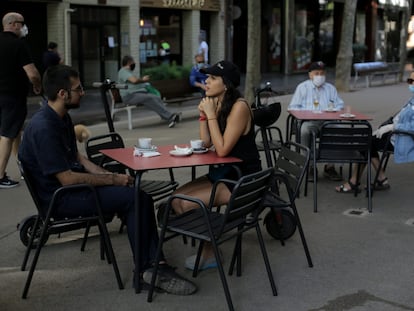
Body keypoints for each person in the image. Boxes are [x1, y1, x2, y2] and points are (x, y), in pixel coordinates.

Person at [18, 64, 197, 295]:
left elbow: (78, 158)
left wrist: (108, 175)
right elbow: (67, 179)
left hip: (73, 190)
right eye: (78, 88)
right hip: (61, 200)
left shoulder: (60, 118)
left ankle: (154, 266)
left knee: (139, 195)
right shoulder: (44, 127)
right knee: (135, 199)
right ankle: (147, 269)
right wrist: (112, 180)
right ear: (63, 94)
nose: (82, 92)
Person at [170, 60, 261, 271]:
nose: (206, 81)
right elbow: (207, 143)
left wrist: (210, 114)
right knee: (176, 199)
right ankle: (209, 244)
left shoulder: (239, 107)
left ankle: (210, 251)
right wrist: (204, 115)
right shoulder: (218, 102)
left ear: (226, 84)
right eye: (206, 77)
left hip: (243, 179)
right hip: (226, 173)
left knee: (185, 204)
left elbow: (221, 150)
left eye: (212, 78)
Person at [335, 72, 414, 193]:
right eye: (409, 81)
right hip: (396, 135)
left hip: (402, 139)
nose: (411, 84)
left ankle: (356, 182)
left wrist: (392, 127)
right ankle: (379, 179)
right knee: (366, 140)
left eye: (413, 81)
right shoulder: (412, 98)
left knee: (365, 143)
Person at [0, 12, 41, 189]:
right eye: (22, 23)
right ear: (13, 24)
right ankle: (0, 175)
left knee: (14, 131)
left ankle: (22, 166)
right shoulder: (18, 45)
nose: (24, 27)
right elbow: (32, 73)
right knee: (8, 135)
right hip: (13, 96)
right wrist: (38, 85)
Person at [288, 61, 344, 181]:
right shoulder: (302, 87)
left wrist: (333, 109)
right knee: (304, 131)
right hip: (309, 121)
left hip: (327, 121)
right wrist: (306, 113)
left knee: (339, 130)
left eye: (322, 73)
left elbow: (340, 105)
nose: (320, 76)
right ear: (310, 75)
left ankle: (330, 166)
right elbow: (292, 107)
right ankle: (310, 166)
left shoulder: (330, 88)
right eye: (316, 73)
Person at [117, 55, 180, 128]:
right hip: (129, 96)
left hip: (137, 94)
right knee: (149, 98)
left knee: (155, 97)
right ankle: (170, 117)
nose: (134, 63)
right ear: (129, 62)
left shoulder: (130, 72)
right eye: (133, 62)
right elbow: (134, 81)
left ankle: (166, 116)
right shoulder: (123, 71)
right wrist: (143, 80)